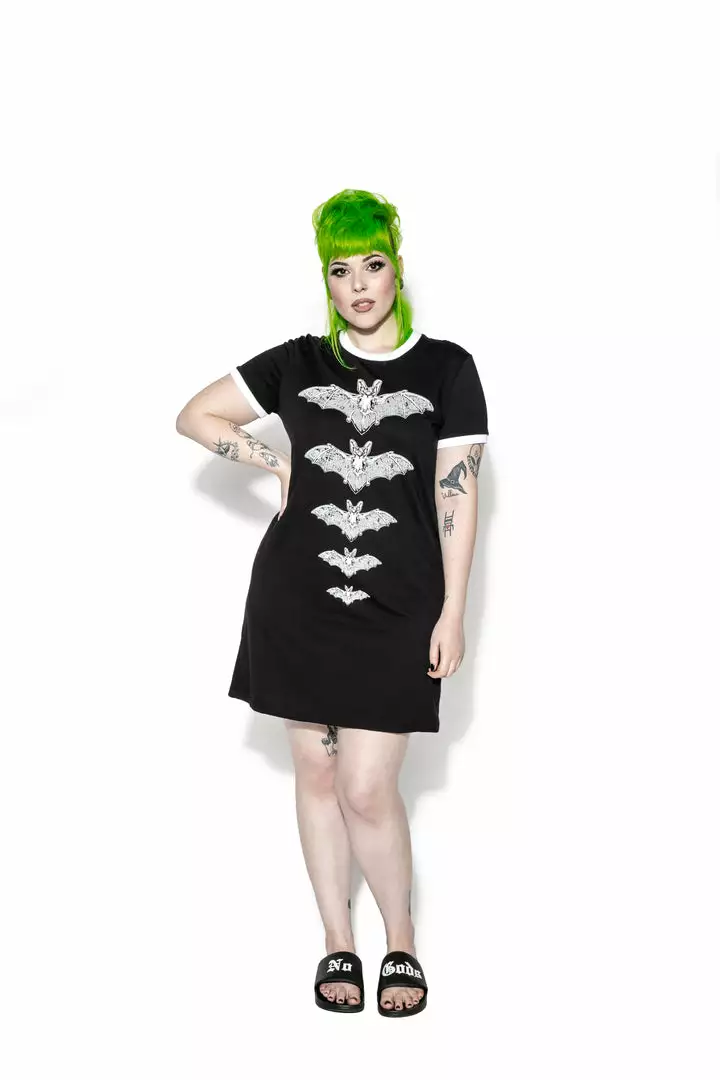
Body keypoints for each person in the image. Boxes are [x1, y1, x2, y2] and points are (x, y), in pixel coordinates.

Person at [176, 189, 489, 1016]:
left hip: (400, 604)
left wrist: (453, 609)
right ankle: (336, 941)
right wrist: (274, 463)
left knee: (367, 786)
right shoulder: (299, 363)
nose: (358, 285)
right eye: (340, 270)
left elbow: (457, 495)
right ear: (326, 279)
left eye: (372, 265)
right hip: (297, 601)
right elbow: (194, 415)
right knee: (317, 772)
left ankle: (402, 940)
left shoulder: (447, 369)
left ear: (396, 269)